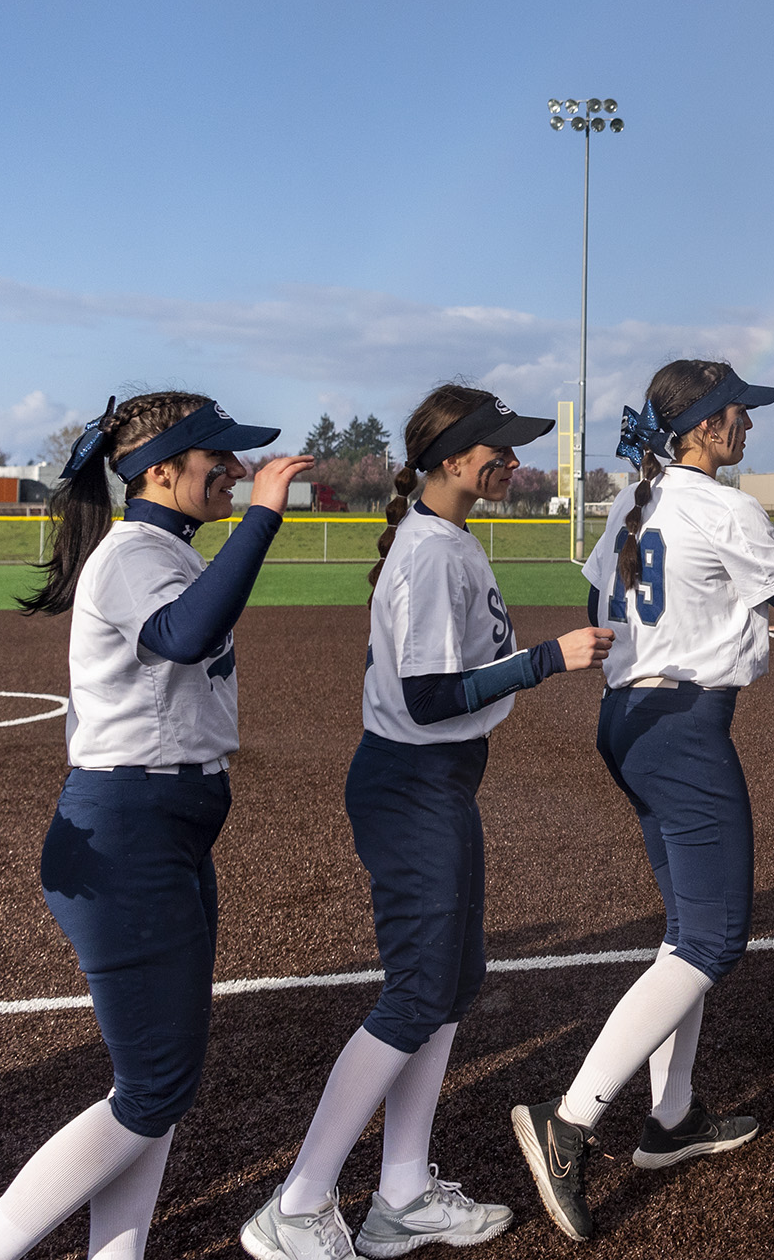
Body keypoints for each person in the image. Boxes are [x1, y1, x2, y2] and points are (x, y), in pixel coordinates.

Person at [510, 363, 774, 1241]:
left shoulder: (633, 498)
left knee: (689, 934)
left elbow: (596, 602)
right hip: (682, 724)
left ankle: (672, 1117)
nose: (747, 429)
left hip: (630, 714)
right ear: (706, 426)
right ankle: (570, 1122)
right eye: (737, 417)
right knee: (715, 938)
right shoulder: (722, 506)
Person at [245, 387, 613, 1260]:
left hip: (438, 783)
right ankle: (296, 1204)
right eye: (497, 448)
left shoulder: (446, 541)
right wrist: (544, 661)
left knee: (451, 984)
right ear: (452, 458)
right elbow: (426, 695)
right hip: (411, 784)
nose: (512, 462)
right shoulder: (424, 553)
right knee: (418, 991)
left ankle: (403, 1193)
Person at [0, 395, 306, 1260]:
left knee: (158, 1083)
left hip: (164, 826)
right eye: (221, 459)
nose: (238, 473)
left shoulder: (159, 549)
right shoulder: (135, 553)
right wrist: (264, 520)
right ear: (162, 470)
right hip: (129, 830)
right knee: (154, 1085)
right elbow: (186, 632)